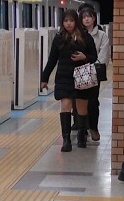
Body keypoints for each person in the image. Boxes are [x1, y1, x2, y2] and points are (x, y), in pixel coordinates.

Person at [40, 9, 97, 152]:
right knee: (65, 105)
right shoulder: (59, 38)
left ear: (76, 21)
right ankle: (66, 140)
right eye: (66, 21)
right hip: (64, 77)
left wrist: (84, 57)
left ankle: (81, 135)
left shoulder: (85, 37)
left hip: (82, 77)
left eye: (71, 20)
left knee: (82, 108)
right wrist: (44, 78)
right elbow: (52, 60)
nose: (68, 23)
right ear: (62, 22)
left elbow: (94, 56)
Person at [78, 4, 109, 142]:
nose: (86, 19)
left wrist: (93, 68)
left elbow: (104, 54)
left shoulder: (102, 35)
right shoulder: (78, 34)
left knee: (93, 101)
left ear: (94, 18)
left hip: (94, 73)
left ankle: (93, 128)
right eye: (84, 17)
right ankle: (82, 129)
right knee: (80, 102)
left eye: (89, 17)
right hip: (79, 73)